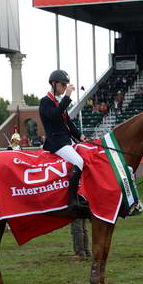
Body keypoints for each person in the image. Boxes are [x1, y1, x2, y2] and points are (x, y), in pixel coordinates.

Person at [39, 70, 87, 212]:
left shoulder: (58, 101)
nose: (65, 87)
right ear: (54, 84)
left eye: (66, 84)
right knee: (78, 161)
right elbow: (54, 116)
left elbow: (68, 123)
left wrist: (80, 136)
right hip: (57, 142)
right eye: (62, 84)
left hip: (67, 140)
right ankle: (71, 200)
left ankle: (83, 194)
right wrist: (67, 97)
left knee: (87, 157)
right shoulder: (45, 102)